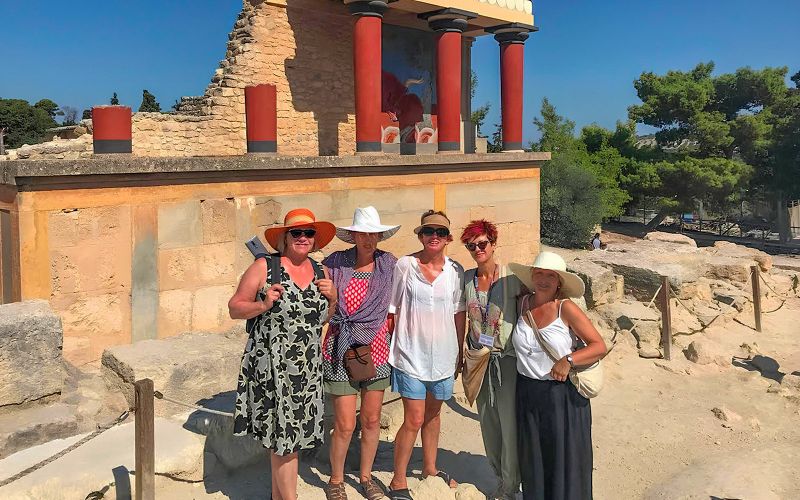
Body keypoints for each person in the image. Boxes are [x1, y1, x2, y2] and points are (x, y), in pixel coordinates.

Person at [229, 208, 338, 500]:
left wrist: (334, 299)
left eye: (309, 233)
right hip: (273, 369)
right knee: (284, 441)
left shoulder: (321, 272)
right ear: (285, 237)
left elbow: (321, 319)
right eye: (297, 233)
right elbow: (234, 307)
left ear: (315, 240)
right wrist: (262, 304)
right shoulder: (266, 267)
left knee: (291, 440)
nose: (303, 238)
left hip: (307, 371)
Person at [509, 251, 607, 500]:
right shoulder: (521, 303)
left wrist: (569, 360)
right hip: (527, 391)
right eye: (539, 273)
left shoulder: (566, 308)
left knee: (565, 459)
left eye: (550, 275)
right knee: (534, 455)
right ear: (532, 276)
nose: (543, 279)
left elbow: (598, 346)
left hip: (561, 394)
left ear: (559, 281)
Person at [321, 206, 400, 500]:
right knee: (344, 423)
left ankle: (366, 478)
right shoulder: (335, 263)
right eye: (363, 233)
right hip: (341, 347)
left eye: (373, 234)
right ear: (353, 235)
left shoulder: (389, 264)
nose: (368, 239)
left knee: (370, 419)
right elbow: (322, 306)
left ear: (379, 235)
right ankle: (336, 479)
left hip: (376, 349)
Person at [387, 210, 466, 500]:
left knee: (433, 415)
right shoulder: (405, 265)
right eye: (429, 231)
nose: (435, 236)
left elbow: (459, 312)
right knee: (414, 417)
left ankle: (430, 468)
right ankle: (398, 480)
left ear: (448, 238)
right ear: (420, 235)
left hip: (444, 355)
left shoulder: (455, 271)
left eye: (441, 232)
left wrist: (459, 351)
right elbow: (392, 308)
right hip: (410, 354)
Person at [459, 220, 524, 500]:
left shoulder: (511, 279)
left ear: (493, 244)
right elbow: (461, 318)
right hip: (478, 360)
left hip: (505, 360)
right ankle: (499, 478)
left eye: (482, 243)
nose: (477, 249)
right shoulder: (467, 279)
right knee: (488, 423)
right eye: (471, 245)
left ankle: (511, 487)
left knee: (509, 425)